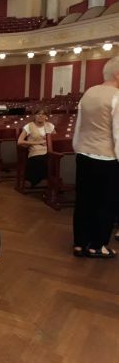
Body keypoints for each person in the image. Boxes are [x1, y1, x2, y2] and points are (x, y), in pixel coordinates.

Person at [72, 56, 119, 259]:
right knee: (105, 203)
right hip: (106, 157)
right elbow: (118, 132)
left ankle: (80, 243)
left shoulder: (89, 93)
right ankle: (97, 245)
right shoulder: (117, 96)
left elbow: (79, 126)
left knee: (84, 200)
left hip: (83, 154)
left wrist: (78, 148)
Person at [17, 109, 56, 187]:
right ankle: (35, 181)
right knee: (40, 160)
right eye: (38, 114)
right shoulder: (29, 126)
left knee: (54, 160)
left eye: (43, 114)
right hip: (35, 151)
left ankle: (52, 181)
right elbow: (20, 141)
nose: (40, 116)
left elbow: (55, 138)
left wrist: (49, 140)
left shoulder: (50, 126)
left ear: (46, 117)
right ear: (35, 116)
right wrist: (37, 143)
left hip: (48, 150)